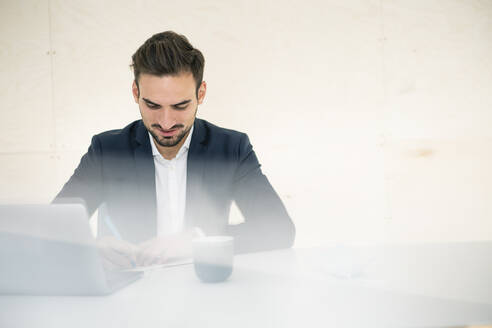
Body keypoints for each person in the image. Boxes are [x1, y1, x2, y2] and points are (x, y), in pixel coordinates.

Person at [54, 31, 295, 269]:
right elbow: (51, 229)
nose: (166, 122)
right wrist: (91, 248)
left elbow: (279, 229)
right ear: (136, 93)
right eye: (152, 105)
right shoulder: (107, 151)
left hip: (205, 294)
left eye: (180, 106)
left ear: (200, 94)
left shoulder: (231, 149)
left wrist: (199, 241)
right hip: (130, 296)